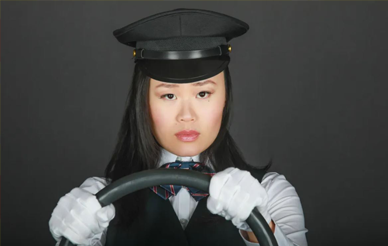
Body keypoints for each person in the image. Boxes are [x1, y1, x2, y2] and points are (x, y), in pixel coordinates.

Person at [48, 8, 308, 246]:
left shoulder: (272, 194)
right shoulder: (99, 200)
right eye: (169, 96)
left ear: (225, 97)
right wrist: (74, 236)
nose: (186, 116)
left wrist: (259, 222)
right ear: (144, 102)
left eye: (203, 94)